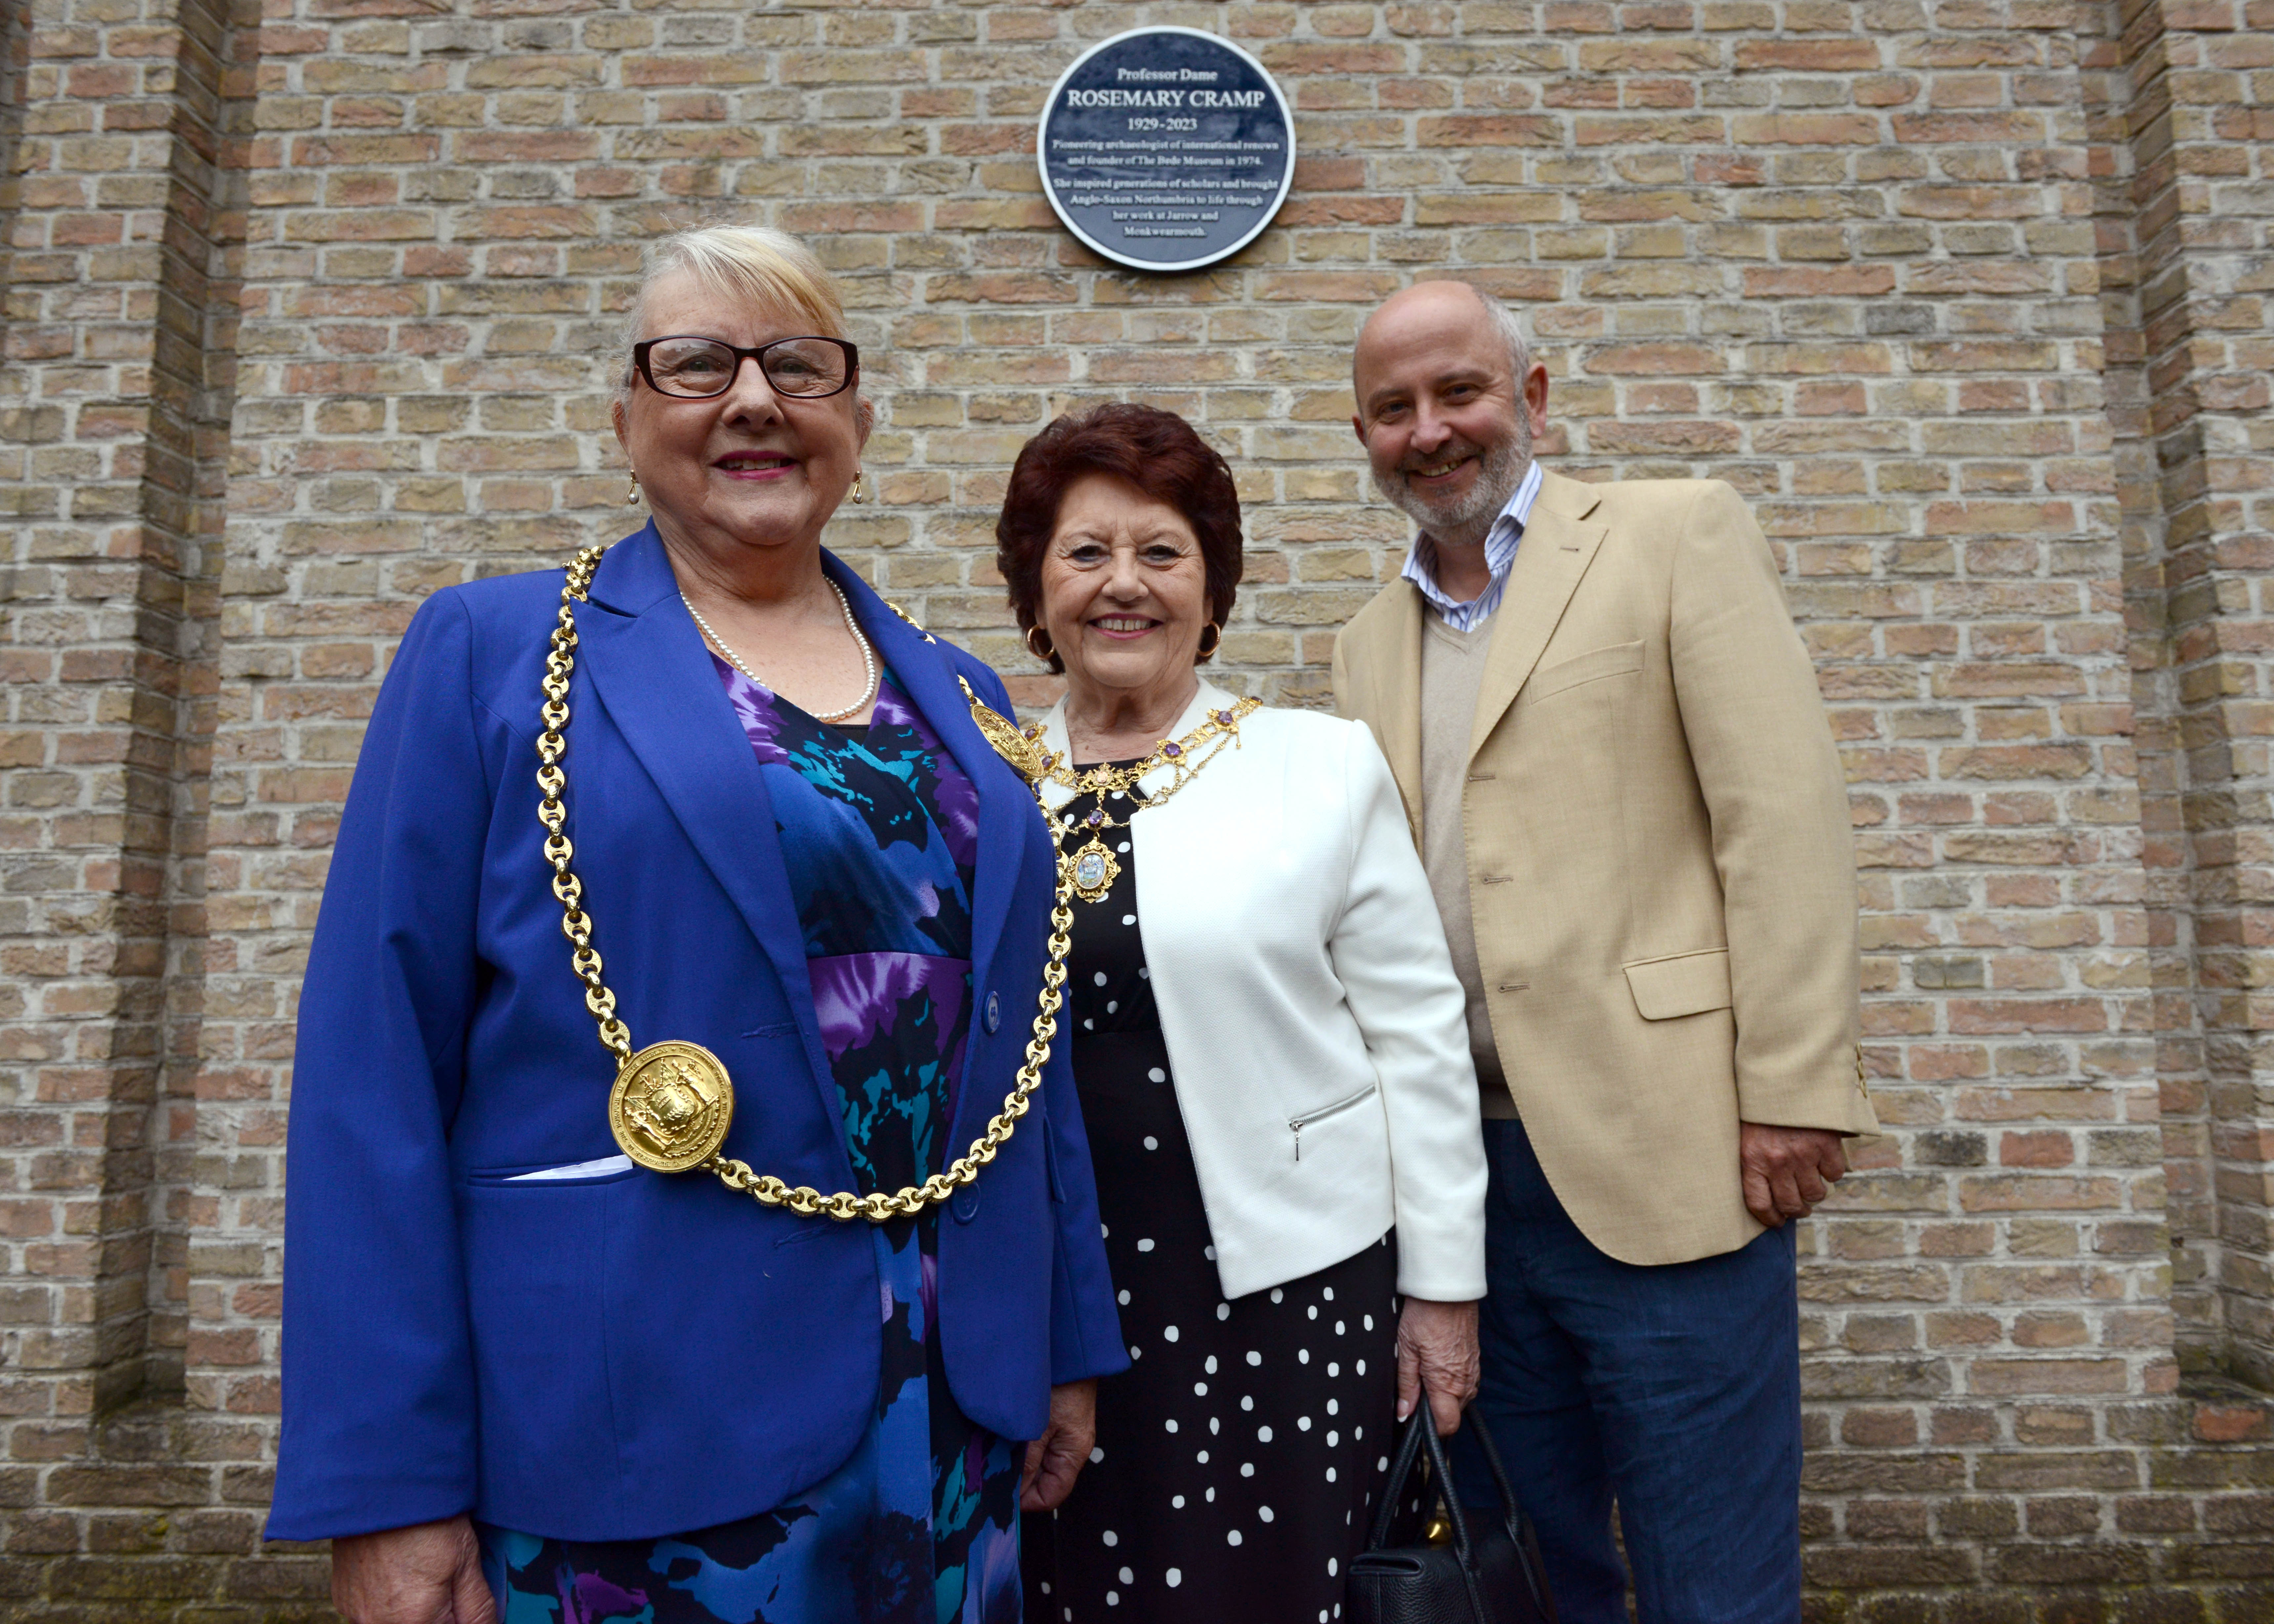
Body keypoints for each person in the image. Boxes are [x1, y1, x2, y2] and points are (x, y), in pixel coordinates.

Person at [268, 224, 1126, 1624]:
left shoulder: (966, 699)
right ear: (625, 420)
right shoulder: (491, 657)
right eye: (695, 364)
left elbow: (1030, 1051)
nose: (752, 399)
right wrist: (387, 1491)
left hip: (955, 1416)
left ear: (855, 418)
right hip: (639, 1425)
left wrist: (1065, 1335)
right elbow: (371, 1081)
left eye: (799, 363)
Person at [1332, 281, 1880, 1621]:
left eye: (1457, 391)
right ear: (1366, 438)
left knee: (1713, 1576)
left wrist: (1795, 1085)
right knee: (1532, 1569)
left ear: (1530, 395)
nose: (1430, 429)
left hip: (1674, 1152)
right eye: (1392, 409)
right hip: (1462, 1186)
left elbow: (1781, 812)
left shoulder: (1671, 536)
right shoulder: (1361, 647)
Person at [1000, 403, 1489, 1624]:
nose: (1126, 586)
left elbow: (1417, 1037)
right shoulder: (986, 784)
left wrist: (1441, 1290)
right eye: (1086, 553)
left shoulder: (1316, 766)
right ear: (1036, 588)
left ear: (1212, 587)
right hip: (1053, 1293)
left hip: (1281, 1291)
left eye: (1162, 553)